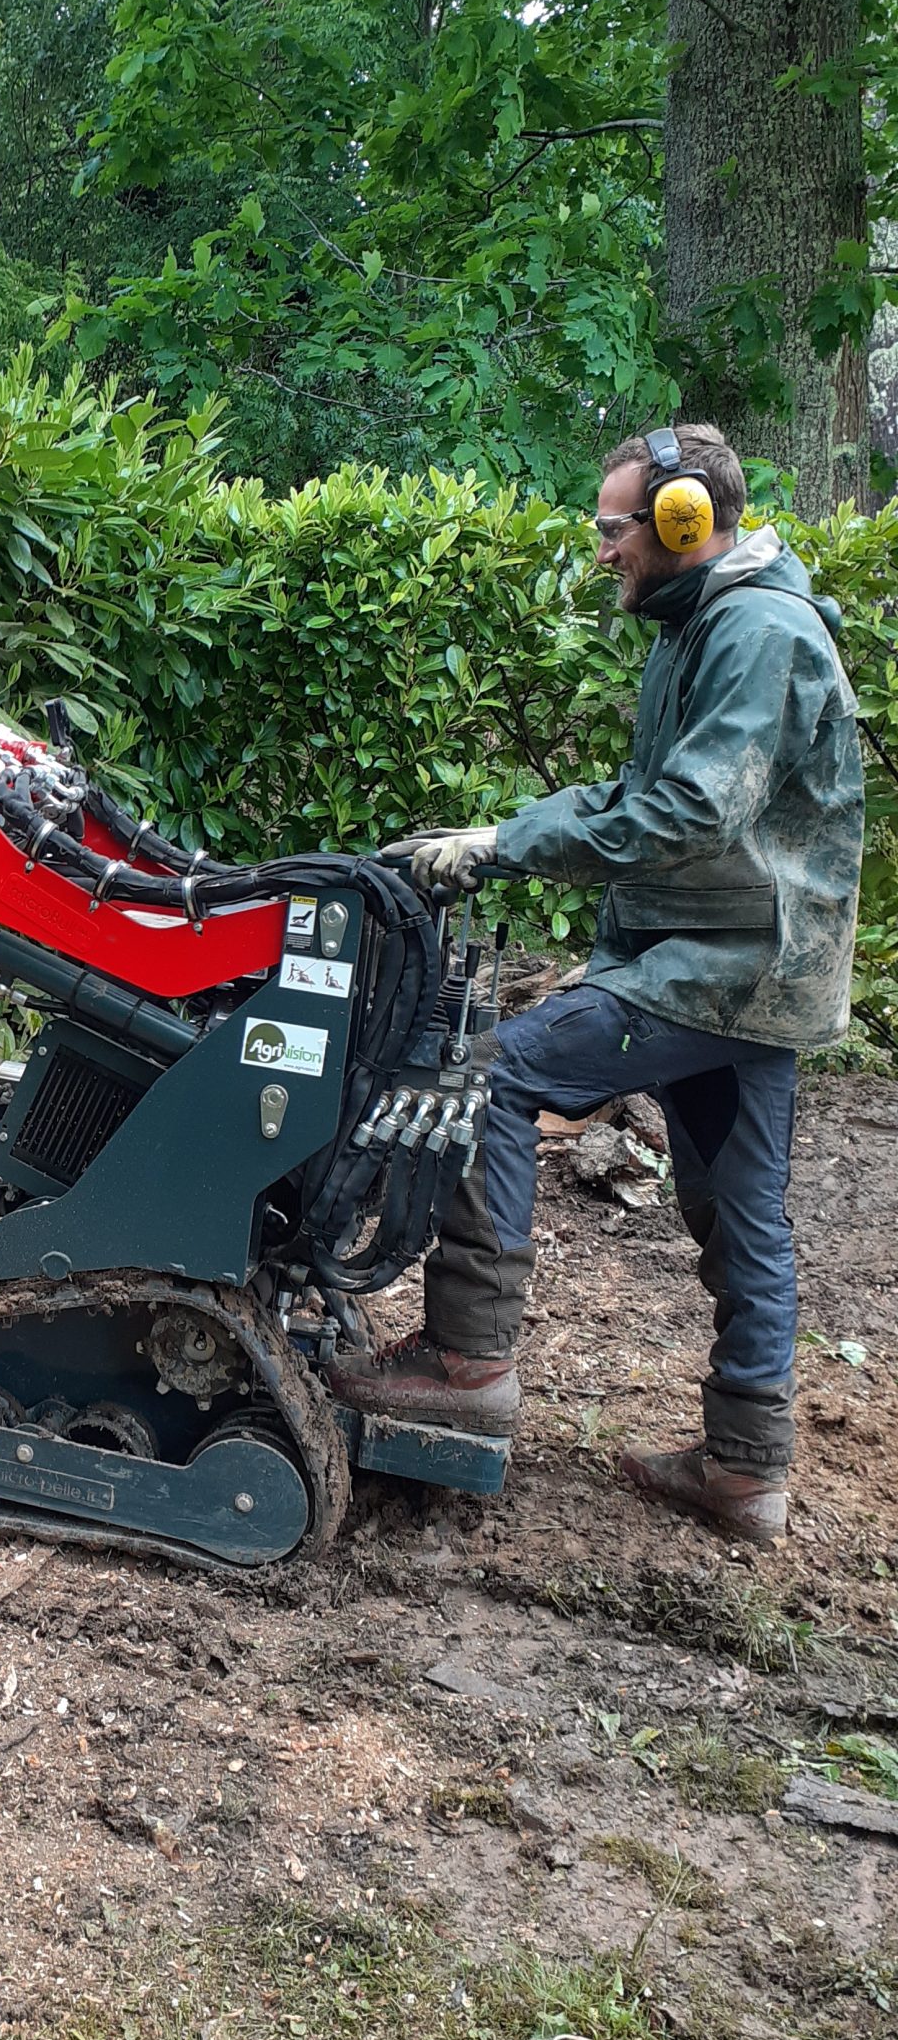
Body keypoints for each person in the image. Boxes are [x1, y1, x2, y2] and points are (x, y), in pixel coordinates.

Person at [328, 423, 865, 1544]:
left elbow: (687, 812)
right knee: (741, 1210)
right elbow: (649, 790)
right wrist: (510, 824)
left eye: (617, 528)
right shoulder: (704, 624)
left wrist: (507, 846)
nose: (605, 550)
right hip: (748, 968)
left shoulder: (755, 632)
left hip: (721, 970)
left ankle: (469, 1359)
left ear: (683, 522)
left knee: (493, 1074)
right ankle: (746, 1467)